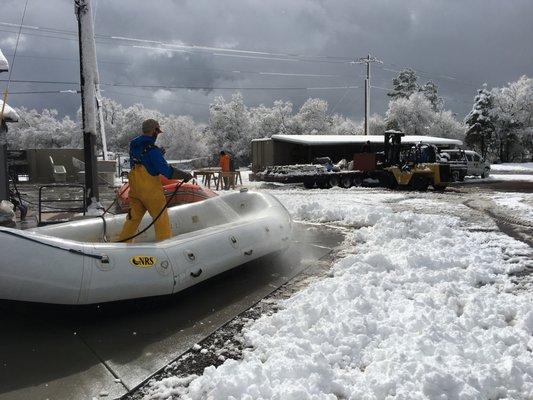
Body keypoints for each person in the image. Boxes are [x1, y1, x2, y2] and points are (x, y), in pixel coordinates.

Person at [118, 119, 192, 242]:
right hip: (151, 193)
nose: (157, 135)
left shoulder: (134, 145)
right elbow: (167, 171)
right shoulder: (152, 150)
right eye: (157, 132)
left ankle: (123, 244)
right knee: (161, 219)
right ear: (154, 131)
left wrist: (158, 153)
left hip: (135, 190)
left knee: (133, 219)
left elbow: (143, 160)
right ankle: (165, 246)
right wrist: (185, 175)